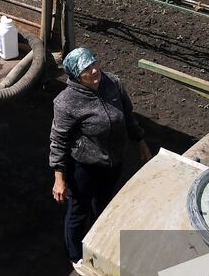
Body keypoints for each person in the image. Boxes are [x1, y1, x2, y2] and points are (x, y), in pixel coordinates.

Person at [49, 47, 152, 262]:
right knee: (79, 210)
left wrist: (140, 141)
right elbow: (58, 140)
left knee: (103, 203)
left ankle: (98, 242)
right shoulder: (66, 102)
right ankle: (75, 256)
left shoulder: (112, 83)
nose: (95, 71)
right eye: (87, 69)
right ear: (77, 76)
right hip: (85, 166)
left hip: (113, 162)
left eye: (94, 63)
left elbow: (128, 116)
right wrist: (59, 178)